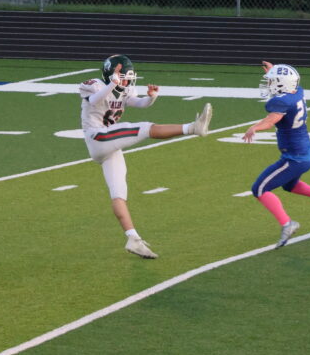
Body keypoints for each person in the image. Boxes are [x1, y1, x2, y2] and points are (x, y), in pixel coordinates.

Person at [79, 54, 213, 260]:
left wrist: (151, 97)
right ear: (110, 74)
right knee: (144, 128)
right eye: (123, 77)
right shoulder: (94, 85)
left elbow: (139, 103)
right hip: (97, 137)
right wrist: (112, 83)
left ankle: (133, 238)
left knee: (118, 193)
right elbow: (95, 99)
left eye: (128, 78)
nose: (126, 82)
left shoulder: (123, 88)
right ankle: (193, 128)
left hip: (110, 144)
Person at [242, 61, 310, 247]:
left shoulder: (281, 102)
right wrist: (274, 71)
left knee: (259, 189)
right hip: (305, 153)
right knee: (290, 185)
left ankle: (287, 223)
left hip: (294, 158)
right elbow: (285, 90)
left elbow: (271, 120)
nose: (269, 85)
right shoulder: (297, 92)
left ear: (282, 84)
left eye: (272, 81)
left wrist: (254, 127)